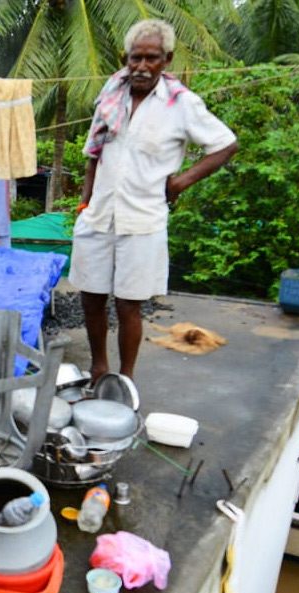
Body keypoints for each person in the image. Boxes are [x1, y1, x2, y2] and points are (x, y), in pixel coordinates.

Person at [69, 19, 238, 383]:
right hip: (99, 216)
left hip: (143, 220)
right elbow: (93, 155)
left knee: (129, 304)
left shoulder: (181, 104)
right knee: (91, 297)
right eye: (136, 58)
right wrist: (83, 206)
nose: (142, 66)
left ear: (167, 60)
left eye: (151, 58)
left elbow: (225, 144)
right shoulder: (110, 95)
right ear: (125, 58)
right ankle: (99, 368)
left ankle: (125, 380)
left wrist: (181, 182)